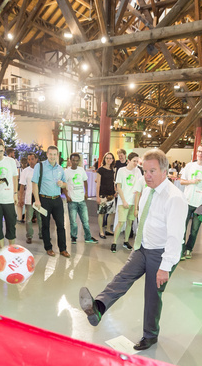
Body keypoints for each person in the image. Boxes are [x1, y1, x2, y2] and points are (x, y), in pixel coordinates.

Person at [80, 150, 187, 350]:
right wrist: (138, 245)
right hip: (143, 248)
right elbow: (144, 221)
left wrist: (165, 267)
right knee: (121, 277)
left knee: (152, 295)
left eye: (152, 171)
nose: (147, 175)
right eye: (145, 171)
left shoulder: (175, 198)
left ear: (164, 171)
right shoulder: (147, 190)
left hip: (161, 253)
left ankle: (150, 335)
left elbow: (175, 237)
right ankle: (98, 308)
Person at [32, 145, 70, 257]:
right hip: (44, 200)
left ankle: (63, 249)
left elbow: (66, 184)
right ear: (47, 154)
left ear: (57, 155)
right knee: (45, 225)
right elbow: (34, 184)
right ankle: (48, 247)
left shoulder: (60, 168)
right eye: (51, 154)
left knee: (61, 225)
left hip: (57, 200)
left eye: (55, 154)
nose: (53, 156)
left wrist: (62, 184)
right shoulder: (40, 166)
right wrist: (37, 200)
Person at [180, 143, 202, 260]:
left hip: (200, 203)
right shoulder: (189, 166)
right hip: (187, 200)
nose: (200, 154)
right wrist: (192, 181)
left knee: (195, 229)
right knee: (182, 228)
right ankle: (180, 250)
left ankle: (189, 249)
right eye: (199, 151)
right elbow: (182, 181)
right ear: (197, 152)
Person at [65, 152, 98, 245]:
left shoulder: (81, 170)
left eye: (77, 160)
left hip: (81, 200)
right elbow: (63, 185)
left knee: (85, 221)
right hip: (72, 201)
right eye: (73, 160)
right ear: (70, 161)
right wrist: (67, 196)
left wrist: (86, 193)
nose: (75, 162)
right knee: (73, 222)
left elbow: (85, 181)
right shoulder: (67, 172)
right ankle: (73, 237)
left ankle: (88, 237)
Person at [112, 152, 142, 252]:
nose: (136, 163)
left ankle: (126, 241)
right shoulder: (121, 171)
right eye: (134, 161)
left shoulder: (138, 171)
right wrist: (124, 201)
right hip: (123, 201)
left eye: (137, 161)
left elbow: (139, 187)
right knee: (121, 222)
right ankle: (114, 242)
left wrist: (137, 204)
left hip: (134, 201)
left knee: (130, 221)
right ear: (128, 160)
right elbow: (118, 187)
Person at [19, 152, 42, 244]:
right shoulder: (25, 171)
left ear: (36, 159)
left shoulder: (41, 170)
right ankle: (29, 236)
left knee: (41, 218)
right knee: (28, 219)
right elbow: (22, 186)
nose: (30, 161)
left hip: (40, 197)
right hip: (29, 198)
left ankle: (41, 234)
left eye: (32, 159)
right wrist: (21, 198)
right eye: (29, 159)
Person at [95, 152, 116, 239]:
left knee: (111, 213)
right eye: (107, 158)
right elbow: (98, 184)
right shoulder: (100, 170)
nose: (109, 160)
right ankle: (101, 231)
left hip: (111, 195)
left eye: (110, 158)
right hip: (102, 195)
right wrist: (97, 196)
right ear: (104, 159)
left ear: (113, 160)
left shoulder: (113, 170)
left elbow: (113, 182)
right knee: (101, 213)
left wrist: (115, 190)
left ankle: (108, 229)